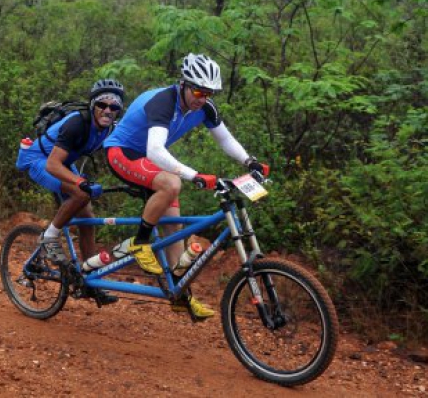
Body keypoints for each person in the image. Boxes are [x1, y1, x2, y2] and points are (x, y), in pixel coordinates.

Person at [103, 53, 267, 319]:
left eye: (209, 93)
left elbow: (225, 140)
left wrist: (250, 162)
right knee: (172, 183)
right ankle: (140, 242)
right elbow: (155, 150)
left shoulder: (205, 107)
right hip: (122, 153)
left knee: (173, 229)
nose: (203, 98)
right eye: (199, 91)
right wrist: (195, 175)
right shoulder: (163, 101)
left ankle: (181, 296)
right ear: (184, 84)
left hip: (147, 159)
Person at [16, 79, 126, 305]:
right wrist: (80, 182)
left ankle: (90, 277)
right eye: (102, 105)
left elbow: (121, 159)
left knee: (88, 219)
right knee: (80, 193)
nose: (108, 110)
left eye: (114, 107)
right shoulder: (77, 123)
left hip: (62, 162)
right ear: (92, 105)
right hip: (40, 160)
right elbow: (52, 165)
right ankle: (49, 238)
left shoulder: (108, 130)